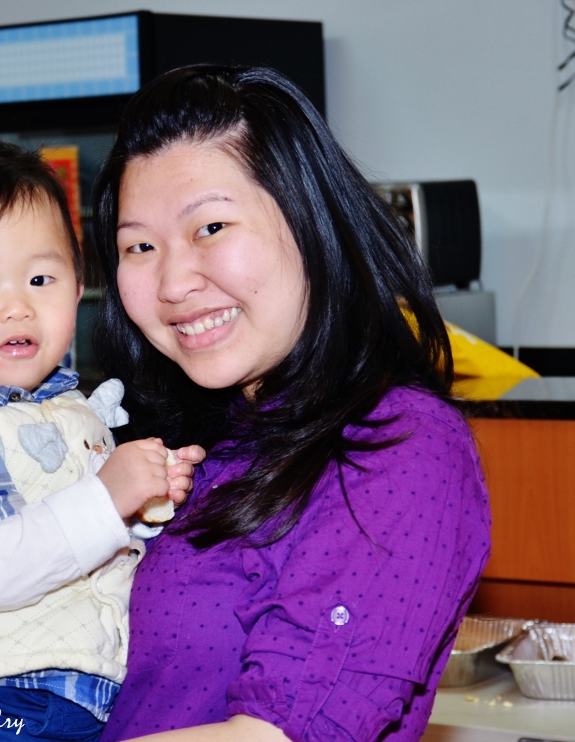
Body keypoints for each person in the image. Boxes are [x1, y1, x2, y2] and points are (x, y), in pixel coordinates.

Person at [92, 65, 492, 742]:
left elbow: (277, 736)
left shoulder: (399, 444)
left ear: (311, 224)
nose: (173, 282)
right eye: (140, 246)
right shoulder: (182, 443)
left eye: (211, 226)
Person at [0, 140, 204, 741]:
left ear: (78, 289)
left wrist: (146, 503)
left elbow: (80, 538)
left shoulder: (66, 408)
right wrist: (108, 497)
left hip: (71, 699)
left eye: (41, 278)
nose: (17, 306)